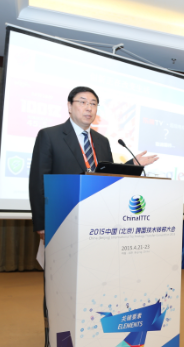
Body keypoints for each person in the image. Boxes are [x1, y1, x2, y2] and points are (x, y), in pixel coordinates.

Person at [29, 86, 158, 240]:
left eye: (93, 104)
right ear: (69, 106)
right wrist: (42, 223)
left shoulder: (102, 141)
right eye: (83, 102)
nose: (89, 108)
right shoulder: (50, 136)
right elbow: (38, 182)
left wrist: (132, 164)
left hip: (98, 221)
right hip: (62, 219)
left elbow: (108, 177)